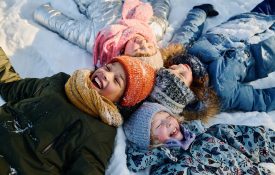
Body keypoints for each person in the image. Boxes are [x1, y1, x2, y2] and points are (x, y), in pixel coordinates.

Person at [0, 48, 155, 174]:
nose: (106, 75)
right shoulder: (60, 82)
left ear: (120, 101)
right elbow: (11, 86)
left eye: (116, 80)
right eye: (108, 68)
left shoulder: (100, 132)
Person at [157, 0, 275, 113]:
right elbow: (260, 100)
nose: (180, 67)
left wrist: (200, 12)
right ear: (189, 91)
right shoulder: (220, 92)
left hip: (247, 22)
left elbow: (189, 29)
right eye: (181, 76)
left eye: (172, 69)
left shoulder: (180, 53)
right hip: (268, 48)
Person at [124, 102, 275, 174]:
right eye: (159, 125)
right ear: (151, 142)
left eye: (168, 117)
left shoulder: (210, 134)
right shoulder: (166, 170)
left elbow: (256, 139)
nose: (168, 122)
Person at [33, 0, 170, 69]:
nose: (143, 43)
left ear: (126, 57)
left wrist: (42, 13)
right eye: (150, 47)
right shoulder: (153, 29)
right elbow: (161, 10)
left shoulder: (103, 39)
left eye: (139, 51)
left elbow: (68, 28)